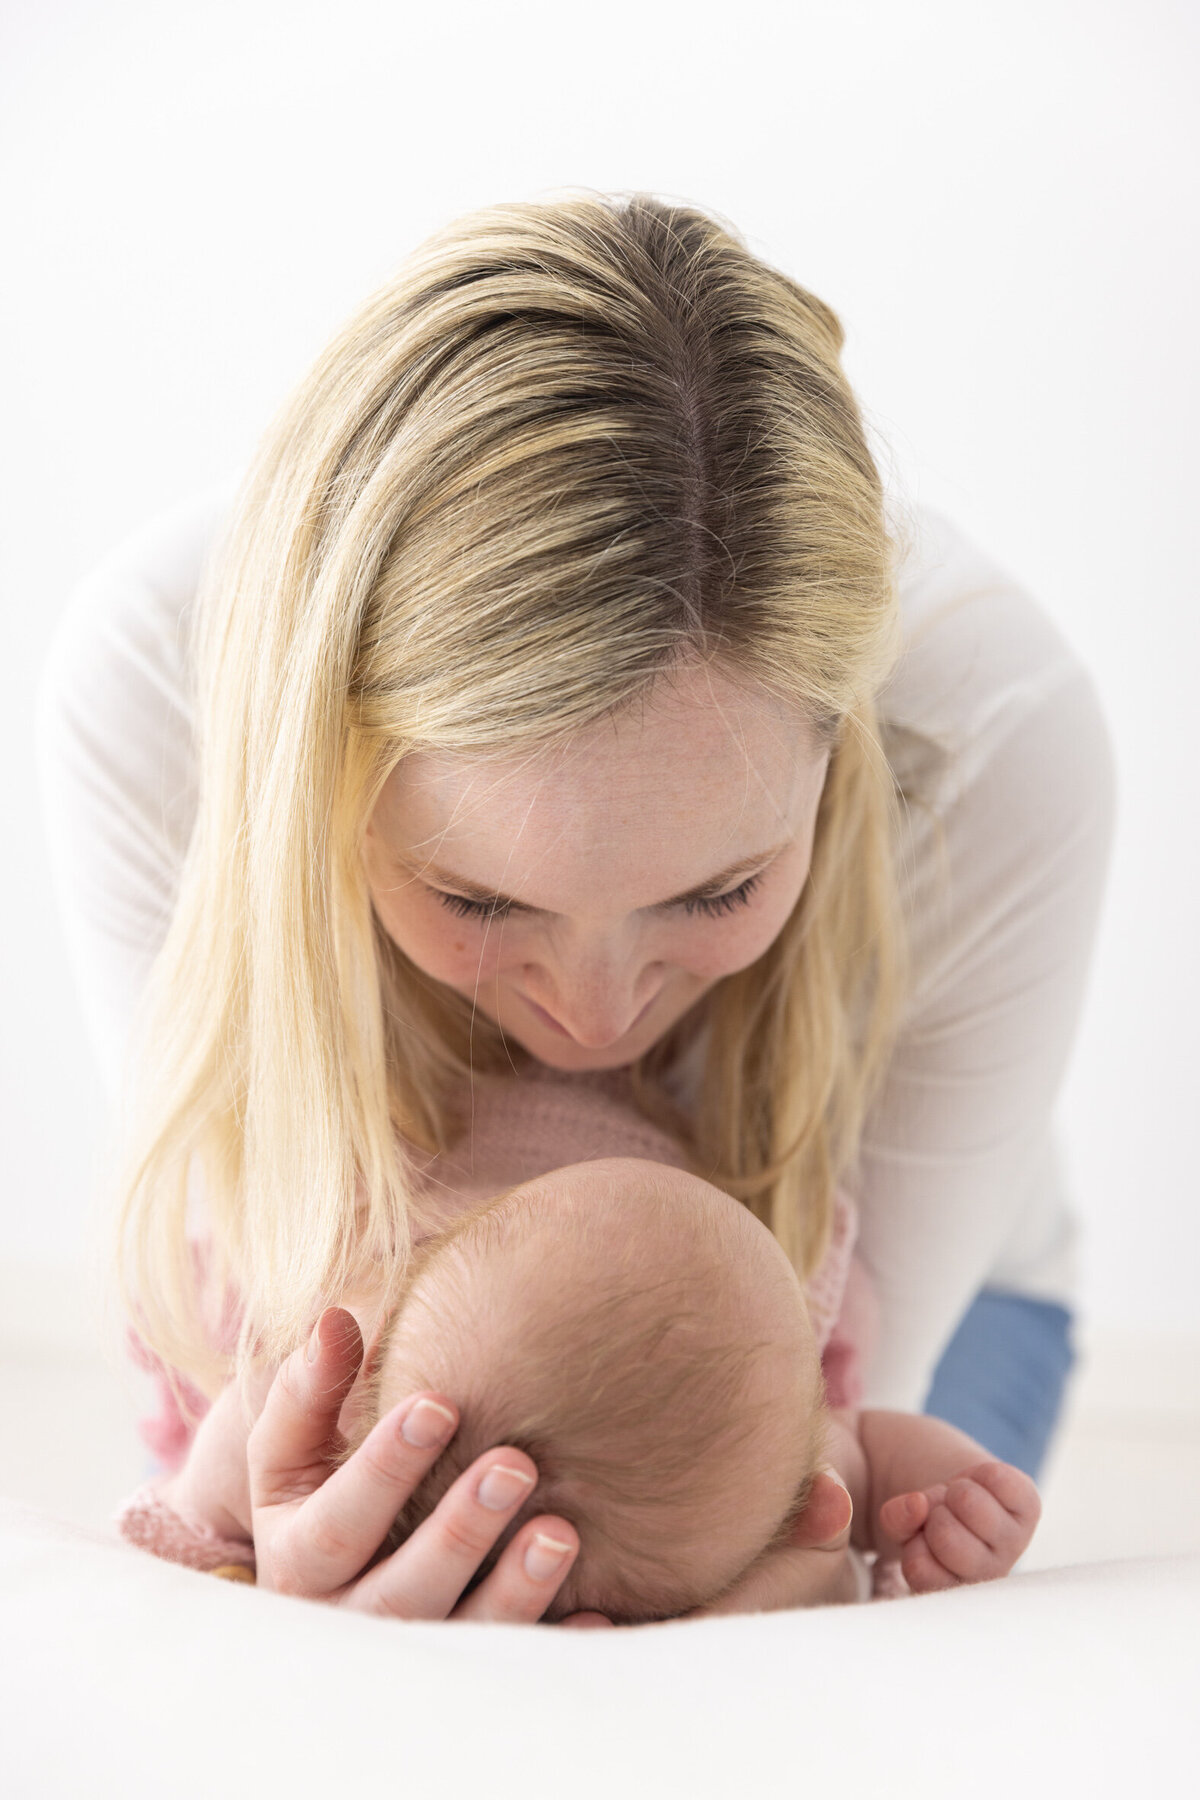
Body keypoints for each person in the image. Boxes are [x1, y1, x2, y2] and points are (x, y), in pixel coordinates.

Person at [35, 190, 1116, 1623]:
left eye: (721, 888)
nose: (594, 1016)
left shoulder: (992, 736)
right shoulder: (155, 693)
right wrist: (272, 1596)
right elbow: (242, 1416)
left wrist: (790, 1594)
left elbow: (809, 1454)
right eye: (478, 896)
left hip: (894, 1314)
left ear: (841, 759)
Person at [117, 1158, 1041, 1622]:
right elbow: (877, 1460)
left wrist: (233, 1543)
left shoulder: (321, 1428)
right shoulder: (786, 1480)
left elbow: (172, 1539)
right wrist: (954, 1503)